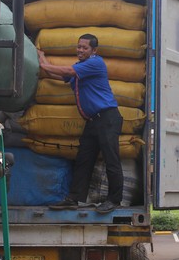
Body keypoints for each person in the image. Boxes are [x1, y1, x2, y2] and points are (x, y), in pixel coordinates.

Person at [38, 33, 123, 214]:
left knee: (111, 160)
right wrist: (41, 58)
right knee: (84, 159)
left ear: (94, 50)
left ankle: (114, 200)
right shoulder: (80, 67)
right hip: (92, 121)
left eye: (84, 48)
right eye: (78, 47)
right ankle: (74, 198)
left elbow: (67, 72)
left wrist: (43, 64)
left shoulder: (95, 63)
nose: (80, 50)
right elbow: (60, 75)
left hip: (107, 117)